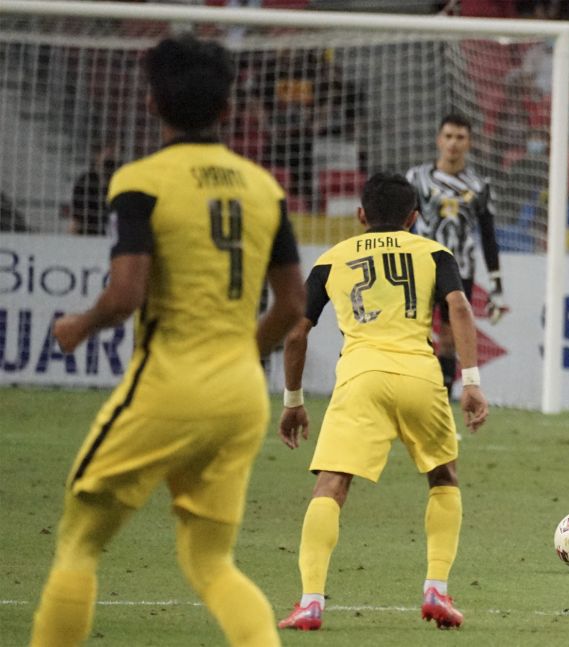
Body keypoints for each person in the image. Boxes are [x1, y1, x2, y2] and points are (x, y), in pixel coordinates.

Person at [30, 35, 305, 647]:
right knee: (212, 563)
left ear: (152, 104)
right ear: (228, 110)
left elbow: (127, 294)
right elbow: (292, 303)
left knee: (79, 541)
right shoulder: (264, 188)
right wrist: (242, 351)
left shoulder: (140, 181)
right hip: (239, 394)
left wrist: (79, 324)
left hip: (168, 385)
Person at [276, 172, 489, 632]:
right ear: (414, 218)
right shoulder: (434, 252)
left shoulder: (332, 259)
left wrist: (293, 399)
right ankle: (436, 589)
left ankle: (311, 602)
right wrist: (470, 381)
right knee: (443, 475)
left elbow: (296, 333)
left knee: (331, 484)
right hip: (420, 374)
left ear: (360, 215)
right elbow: (460, 309)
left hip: (360, 376)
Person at [406, 114, 507, 396]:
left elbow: (488, 236)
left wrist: (497, 285)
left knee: (450, 339)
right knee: (418, 334)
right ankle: (416, 395)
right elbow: (403, 222)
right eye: (448, 136)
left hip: (460, 268)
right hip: (420, 267)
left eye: (460, 137)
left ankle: (442, 400)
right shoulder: (416, 178)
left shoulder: (479, 185)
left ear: (469, 143)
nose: (453, 143)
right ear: (439, 140)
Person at [70, 144, 119, 236]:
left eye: (112, 153)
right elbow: (76, 218)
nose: (111, 156)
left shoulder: (119, 179)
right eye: (107, 153)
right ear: (97, 156)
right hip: (88, 234)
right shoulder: (85, 181)